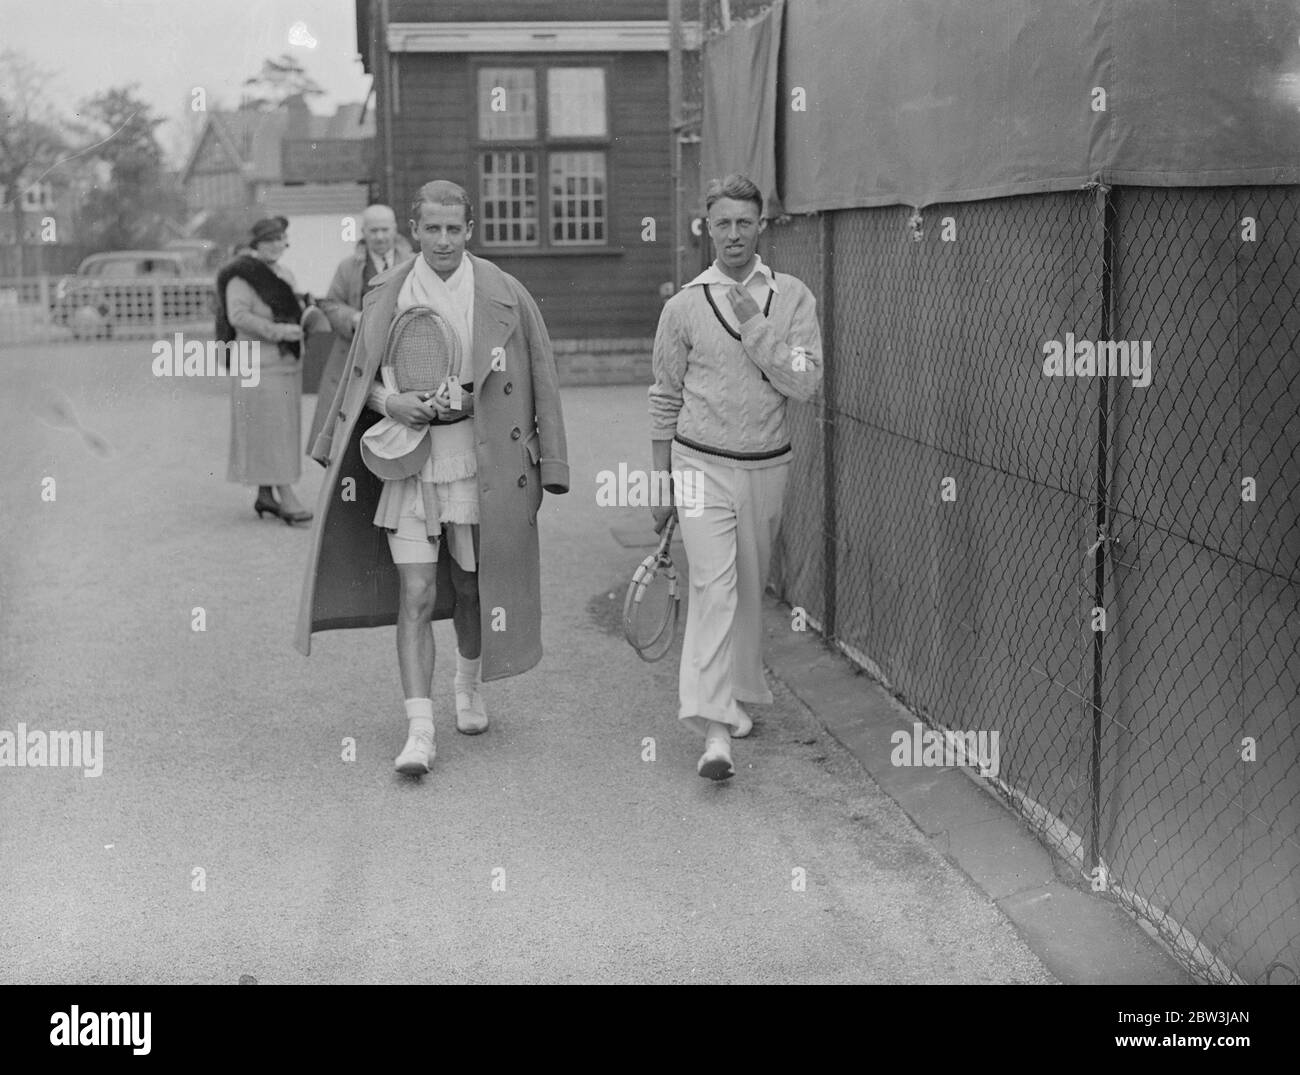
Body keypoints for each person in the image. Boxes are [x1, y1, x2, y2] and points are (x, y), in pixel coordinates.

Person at [295, 180, 569, 777]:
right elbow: (357, 381)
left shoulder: (504, 291)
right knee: (416, 594)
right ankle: (419, 731)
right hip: (407, 462)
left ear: (469, 230)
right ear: (412, 232)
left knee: (471, 588)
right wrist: (391, 405)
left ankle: (468, 687)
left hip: (481, 465)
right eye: (432, 229)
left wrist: (547, 460)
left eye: (454, 228)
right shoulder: (385, 293)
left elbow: (539, 374)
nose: (443, 240)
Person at [648, 173, 824, 780]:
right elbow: (664, 398)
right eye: (721, 223)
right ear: (708, 227)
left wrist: (756, 326)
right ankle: (715, 732)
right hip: (697, 464)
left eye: (743, 222)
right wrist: (659, 485)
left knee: (749, 593)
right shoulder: (683, 306)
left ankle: (733, 698)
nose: (732, 234)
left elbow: (804, 382)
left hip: (766, 467)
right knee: (714, 590)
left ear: (761, 227)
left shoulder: (794, 297)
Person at [221, 216, 313, 524]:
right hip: (257, 363)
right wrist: (279, 331)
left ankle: (265, 495)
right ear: (256, 245)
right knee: (270, 429)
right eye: (268, 240)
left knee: (279, 429)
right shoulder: (241, 277)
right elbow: (238, 316)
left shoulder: (284, 273)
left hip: (285, 362)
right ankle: (285, 496)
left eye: (280, 239)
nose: (275, 245)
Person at [306, 204, 414, 451]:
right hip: (356, 355)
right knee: (349, 429)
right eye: (373, 231)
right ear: (363, 232)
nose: (379, 237)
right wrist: (353, 318)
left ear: (395, 230)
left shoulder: (411, 263)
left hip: (400, 357)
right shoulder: (348, 267)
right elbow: (331, 303)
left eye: (385, 230)